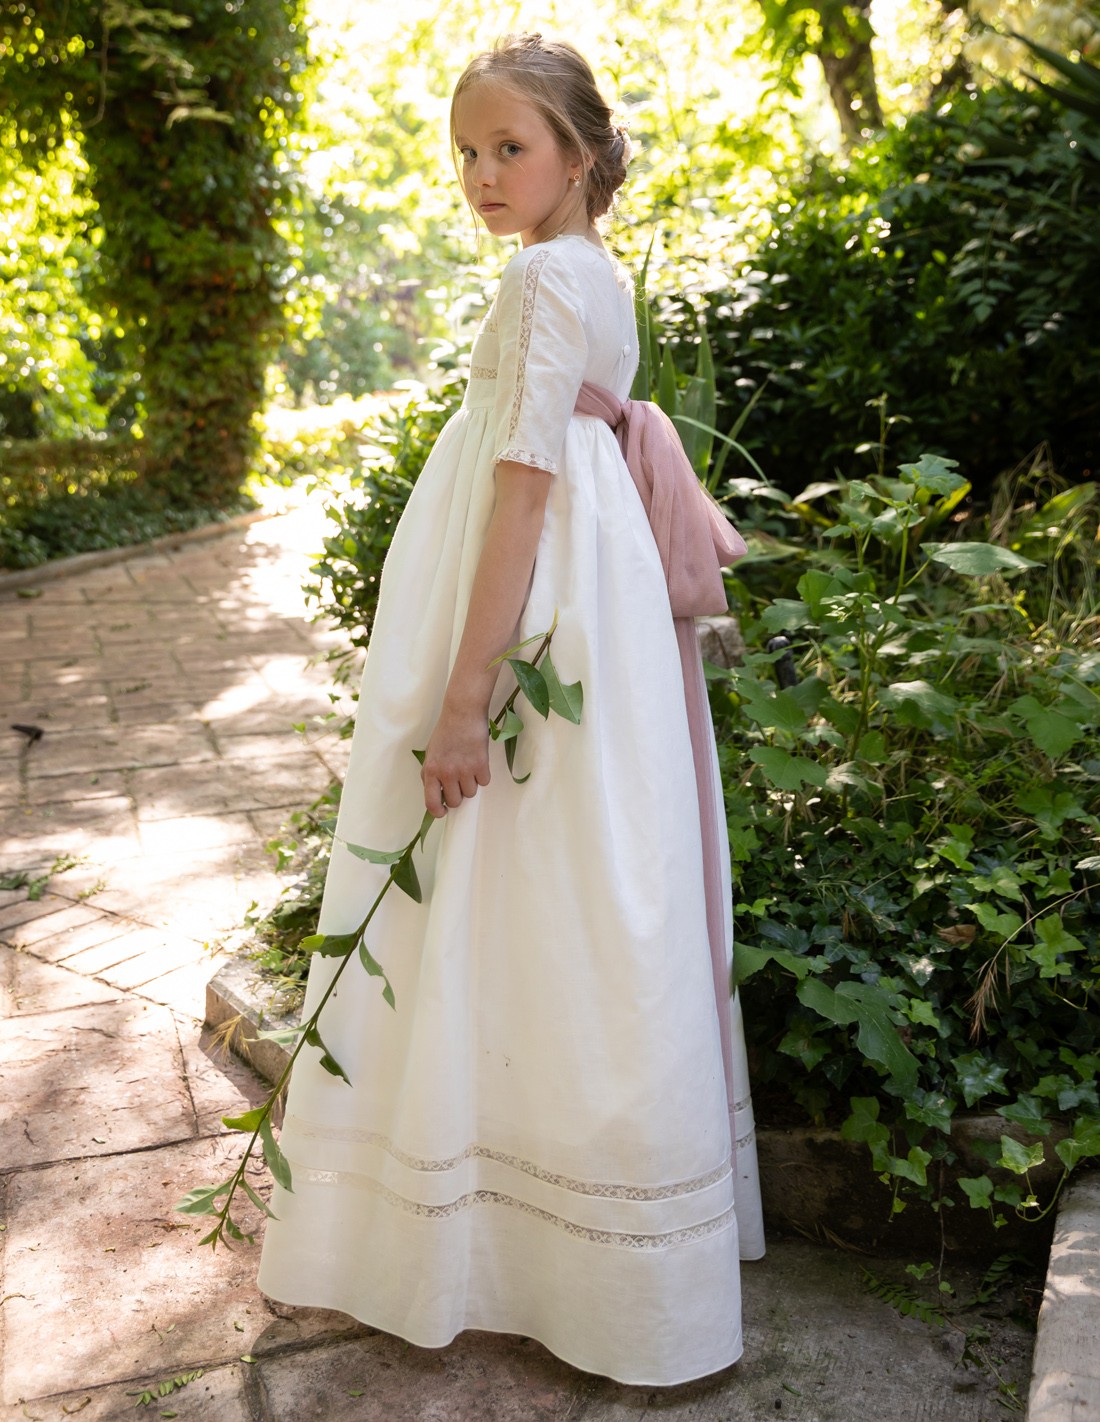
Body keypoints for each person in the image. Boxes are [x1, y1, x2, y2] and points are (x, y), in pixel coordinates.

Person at [257, 33, 764, 1386]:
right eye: (467, 153)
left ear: (580, 156)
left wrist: (466, 692)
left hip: (530, 614)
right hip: (592, 613)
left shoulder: (545, 276)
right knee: (568, 903)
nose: (482, 174)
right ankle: (587, 1255)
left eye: (510, 148)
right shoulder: (595, 271)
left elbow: (524, 484)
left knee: (485, 884)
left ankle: (474, 1233)